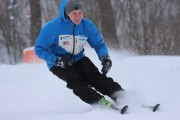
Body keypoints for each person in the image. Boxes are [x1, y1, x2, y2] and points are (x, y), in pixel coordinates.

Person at [35, 0, 124, 108]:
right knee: (77, 83)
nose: (78, 16)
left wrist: (105, 57)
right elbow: (39, 49)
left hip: (79, 59)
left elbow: (98, 44)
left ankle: (121, 96)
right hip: (58, 63)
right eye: (74, 13)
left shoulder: (87, 25)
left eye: (80, 13)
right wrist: (57, 60)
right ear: (66, 13)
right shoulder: (52, 28)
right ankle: (99, 102)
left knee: (96, 78)